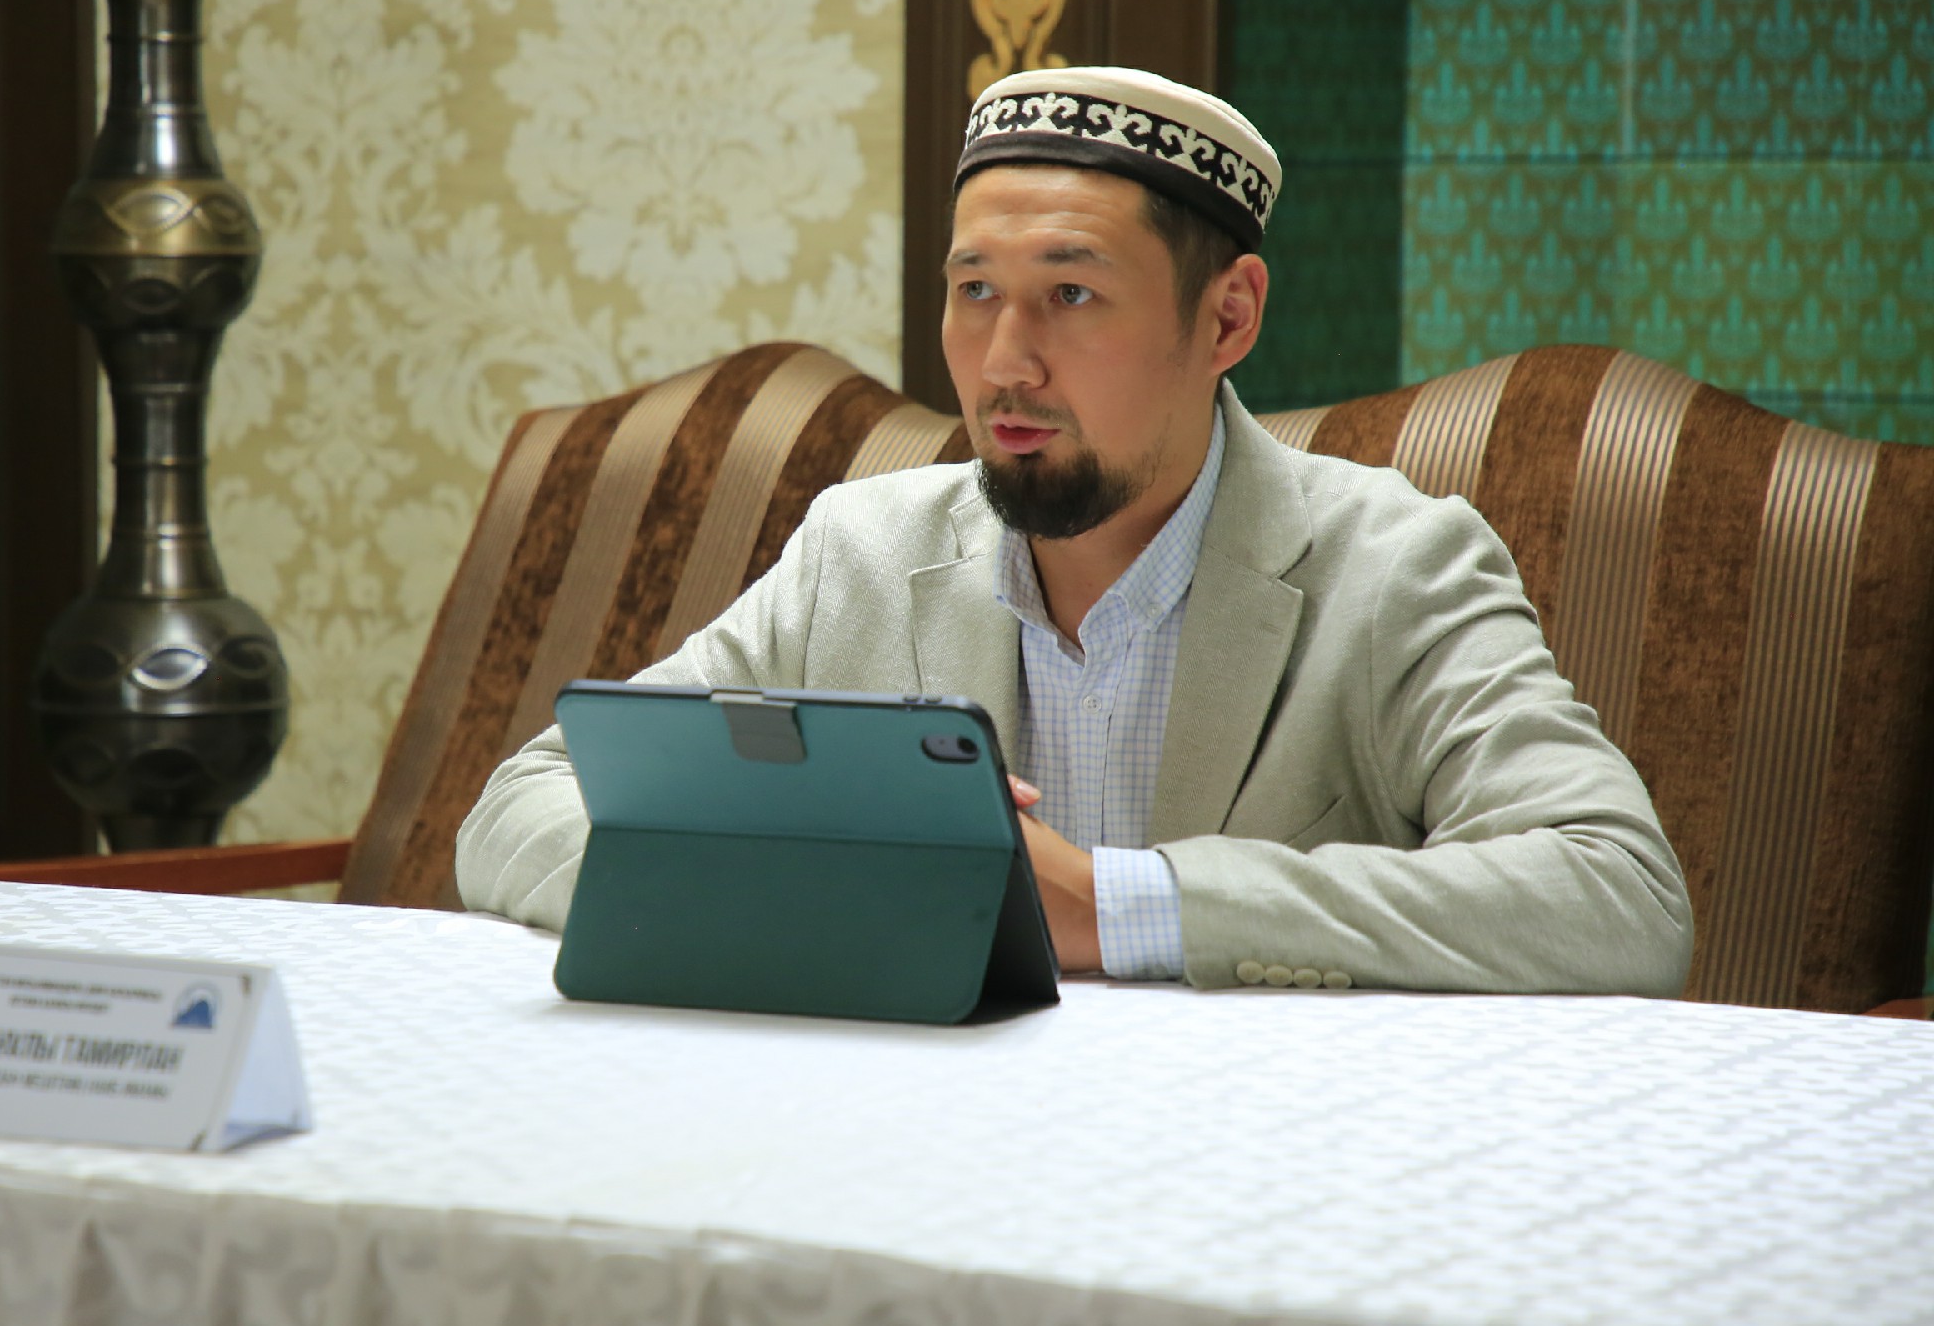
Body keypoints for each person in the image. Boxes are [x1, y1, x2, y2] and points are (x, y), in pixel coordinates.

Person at [457, 65, 1691, 996]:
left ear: (1228, 317)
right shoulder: (862, 553)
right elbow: (521, 806)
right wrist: (822, 880)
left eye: (1071, 293)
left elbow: (1619, 892)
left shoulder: (1394, 567)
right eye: (974, 291)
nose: (1005, 362)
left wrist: (1112, 905)